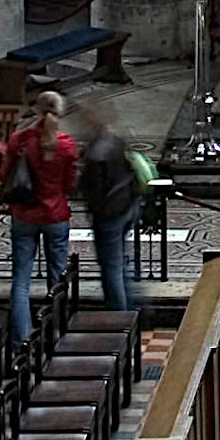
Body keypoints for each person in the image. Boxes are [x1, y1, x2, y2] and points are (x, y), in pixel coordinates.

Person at [2, 88, 82, 340]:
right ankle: (56, 333)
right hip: (55, 215)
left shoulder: (19, 140)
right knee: (57, 280)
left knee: (21, 282)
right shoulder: (66, 145)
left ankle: (22, 340)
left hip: (24, 215)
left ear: (36, 109)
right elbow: (70, 184)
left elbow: (6, 175)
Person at [78, 113, 146, 311]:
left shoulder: (95, 155)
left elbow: (92, 189)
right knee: (120, 262)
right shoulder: (114, 141)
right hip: (126, 206)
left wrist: (94, 209)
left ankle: (119, 316)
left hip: (109, 214)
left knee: (111, 267)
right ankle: (131, 305)